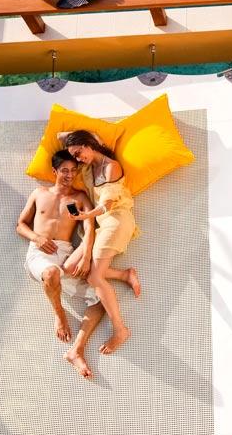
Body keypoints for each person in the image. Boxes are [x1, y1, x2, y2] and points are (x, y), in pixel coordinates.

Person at [15, 149, 136, 378]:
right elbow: (20, 224)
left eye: (73, 170)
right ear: (54, 171)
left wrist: (87, 255)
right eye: (64, 170)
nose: (69, 175)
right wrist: (37, 238)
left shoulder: (79, 198)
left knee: (102, 300)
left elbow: (90, 227)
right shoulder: (39, 193)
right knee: (51, 273)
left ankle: (77, 350)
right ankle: (59, 315)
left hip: (65, 252)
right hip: (40, 253)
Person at [64, 130, 142, 355]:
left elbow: (107, 204)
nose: (78, 159)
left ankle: (120, 330)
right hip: (101, 225)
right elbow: (62, 136)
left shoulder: (111, 167)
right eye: (75, 156)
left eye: (79, 152)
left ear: (88, 145)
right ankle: (123, 275)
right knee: (70, 268)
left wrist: (84, 217)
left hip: (116, 220)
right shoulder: (90, 165)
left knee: (94, 276)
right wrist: (88, 138)